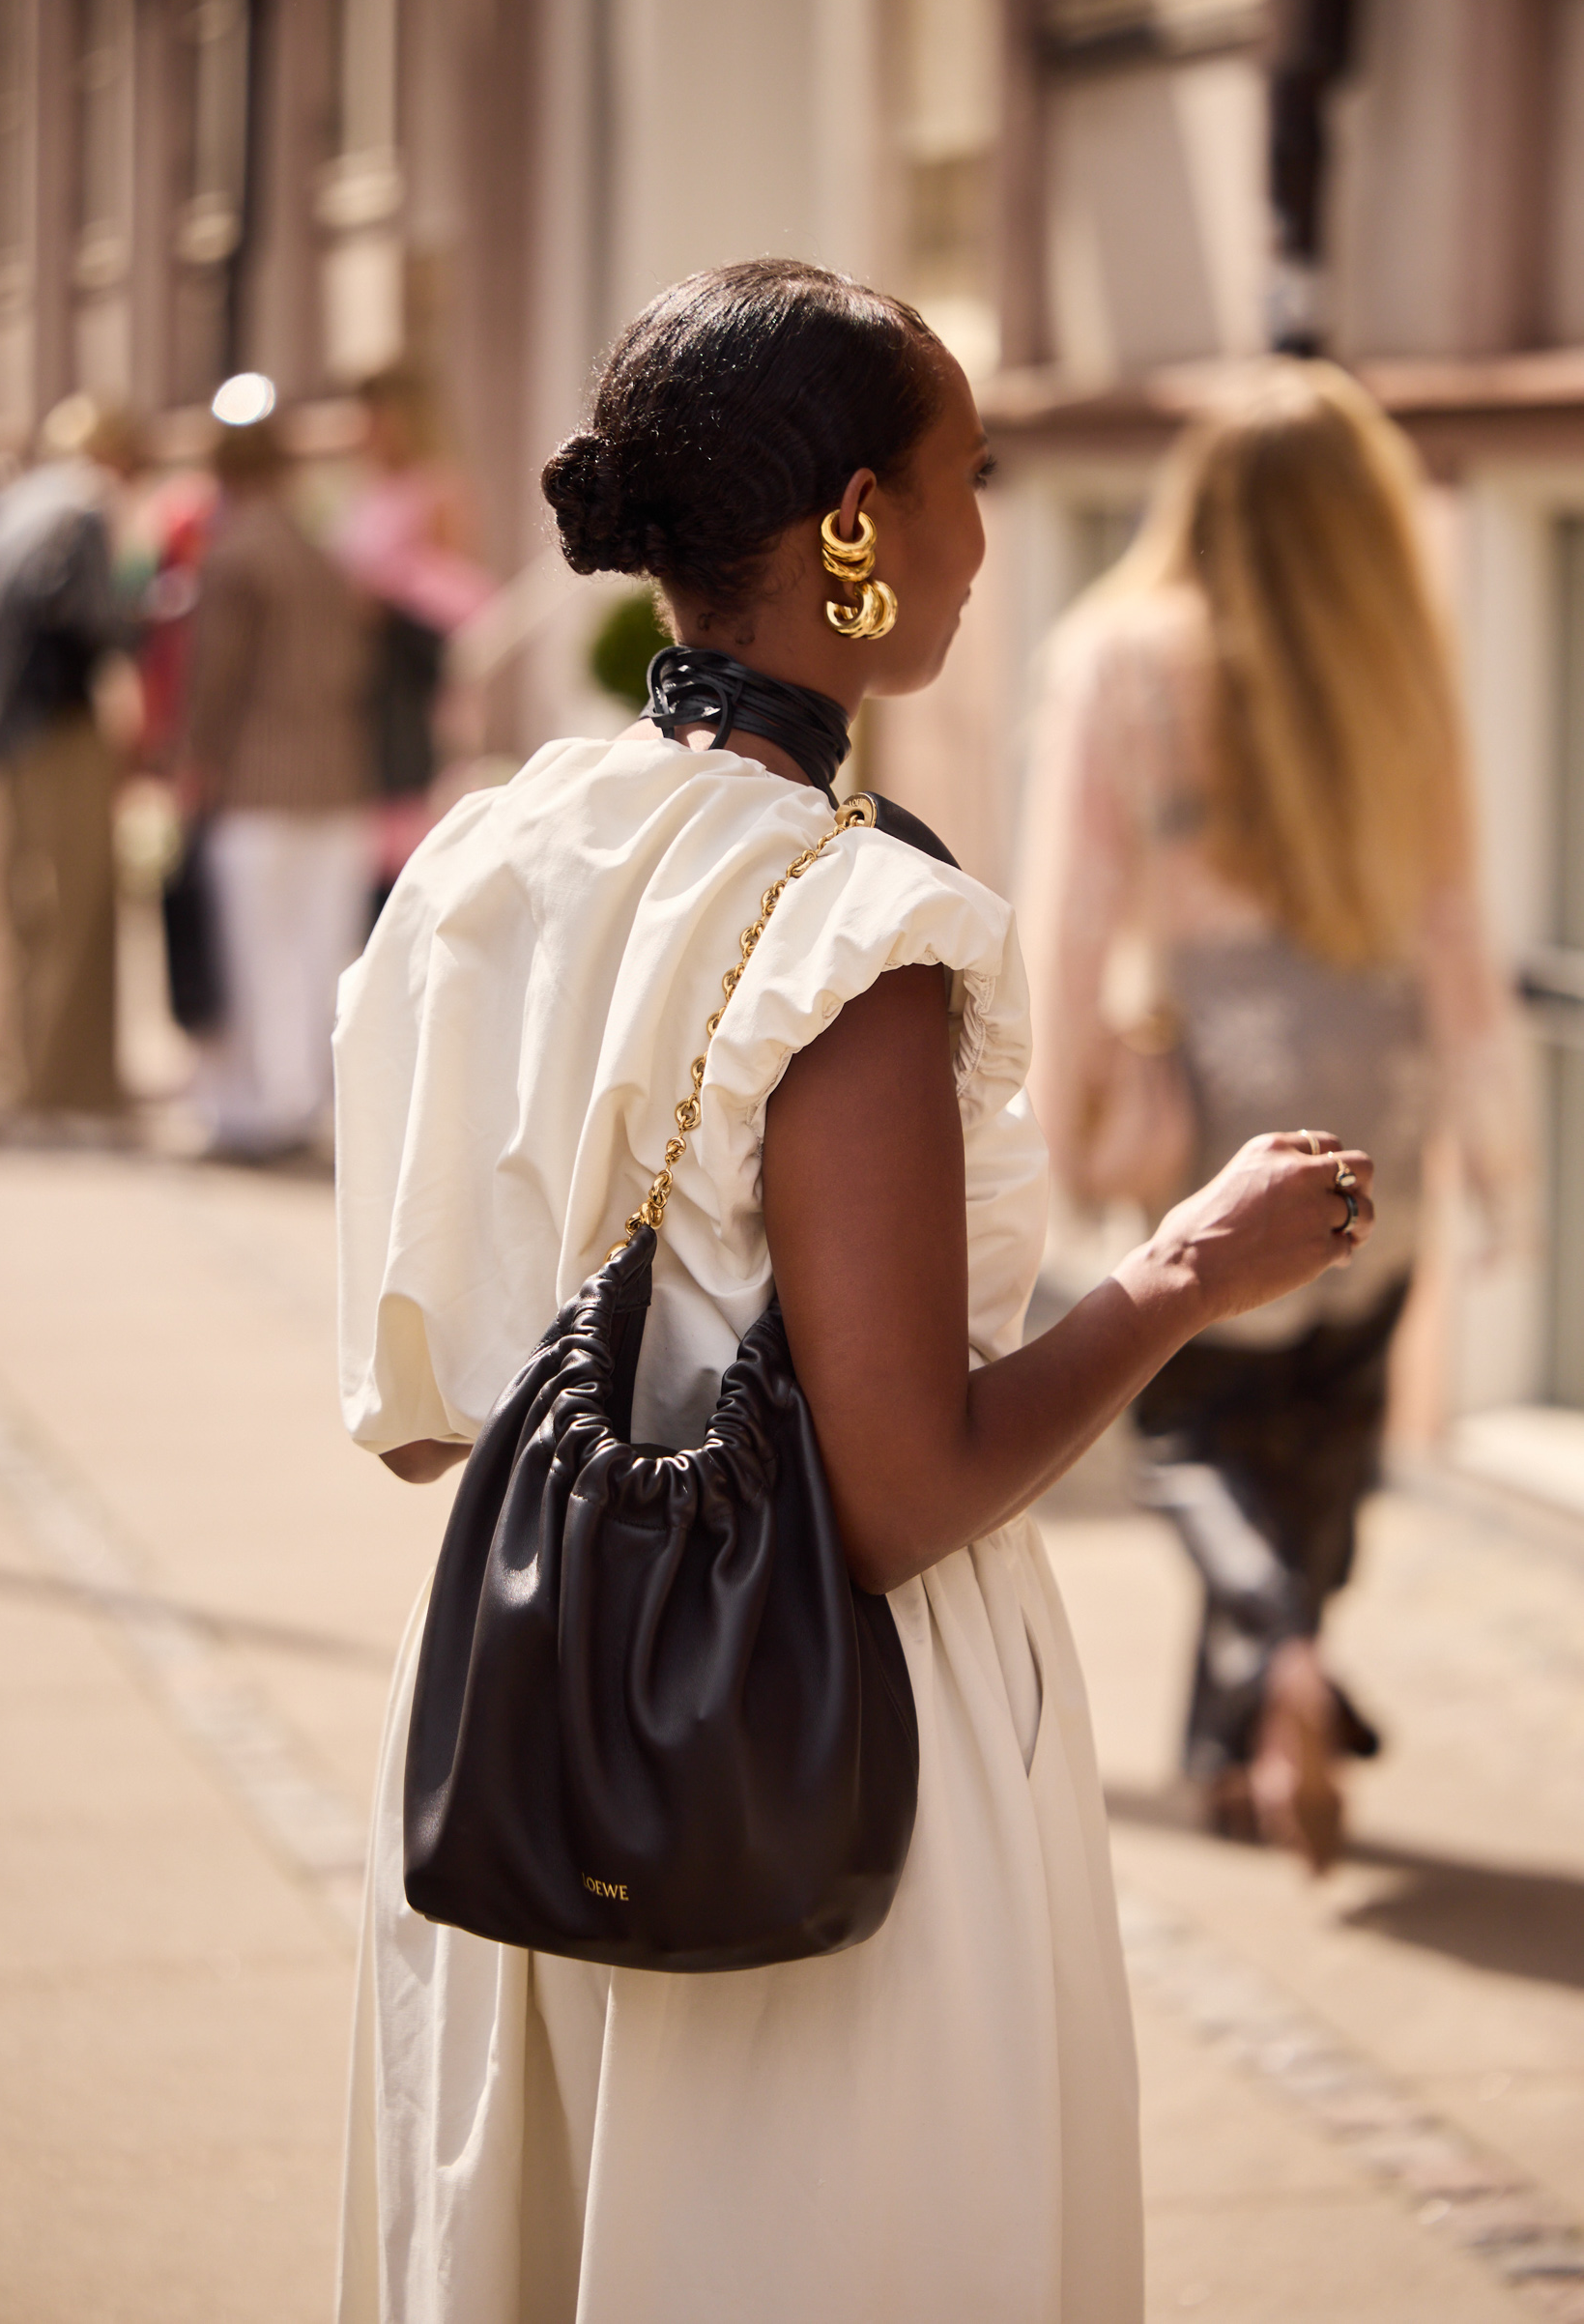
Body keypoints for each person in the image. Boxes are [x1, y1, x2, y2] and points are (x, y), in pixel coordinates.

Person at [332, 262, 1375, 2324]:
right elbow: (892, 1493)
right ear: (853, 528)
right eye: (961, 473)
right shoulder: (858, 929)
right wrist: (1184, 1269)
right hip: (806, 1754)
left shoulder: (490, 857)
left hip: (520, 1733)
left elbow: (439, 1405)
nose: (981, 530)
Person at [1017, 359, 1525, 1872]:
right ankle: (1258, 1709)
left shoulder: (1120, 656)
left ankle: (1273, 1657)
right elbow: (1450, 919)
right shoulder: (1398, 662)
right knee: (1326, 1423)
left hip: (1217, 1099)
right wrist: (1496, 1149)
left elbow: (1067, 913)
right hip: (1381, 1082)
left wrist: (1054, 1115)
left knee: (1188, 1432)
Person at [180, 414, 372, 1158]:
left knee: (253, 951)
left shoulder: (235, 556)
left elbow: (215, 680)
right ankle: (315, 1106)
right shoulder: (324, 556)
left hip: (258, 776)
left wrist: (194, 760)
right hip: (336, 772)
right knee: (325, 951)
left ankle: (255, 1110)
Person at [0, 396, 135, 1120]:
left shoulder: (20, 503)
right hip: (62, 724)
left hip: (8, 730)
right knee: (79, 911)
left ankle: (29, 1076)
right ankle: (70, 1090)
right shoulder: (87, 506)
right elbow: (97, 623)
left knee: (29, 910)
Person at [331, 364, 494, 923]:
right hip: (369, 671)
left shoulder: (438, 490)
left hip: (415, 669)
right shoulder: (364, 493)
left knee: (413, 794)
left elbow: (462, 593)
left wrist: (391, 588)